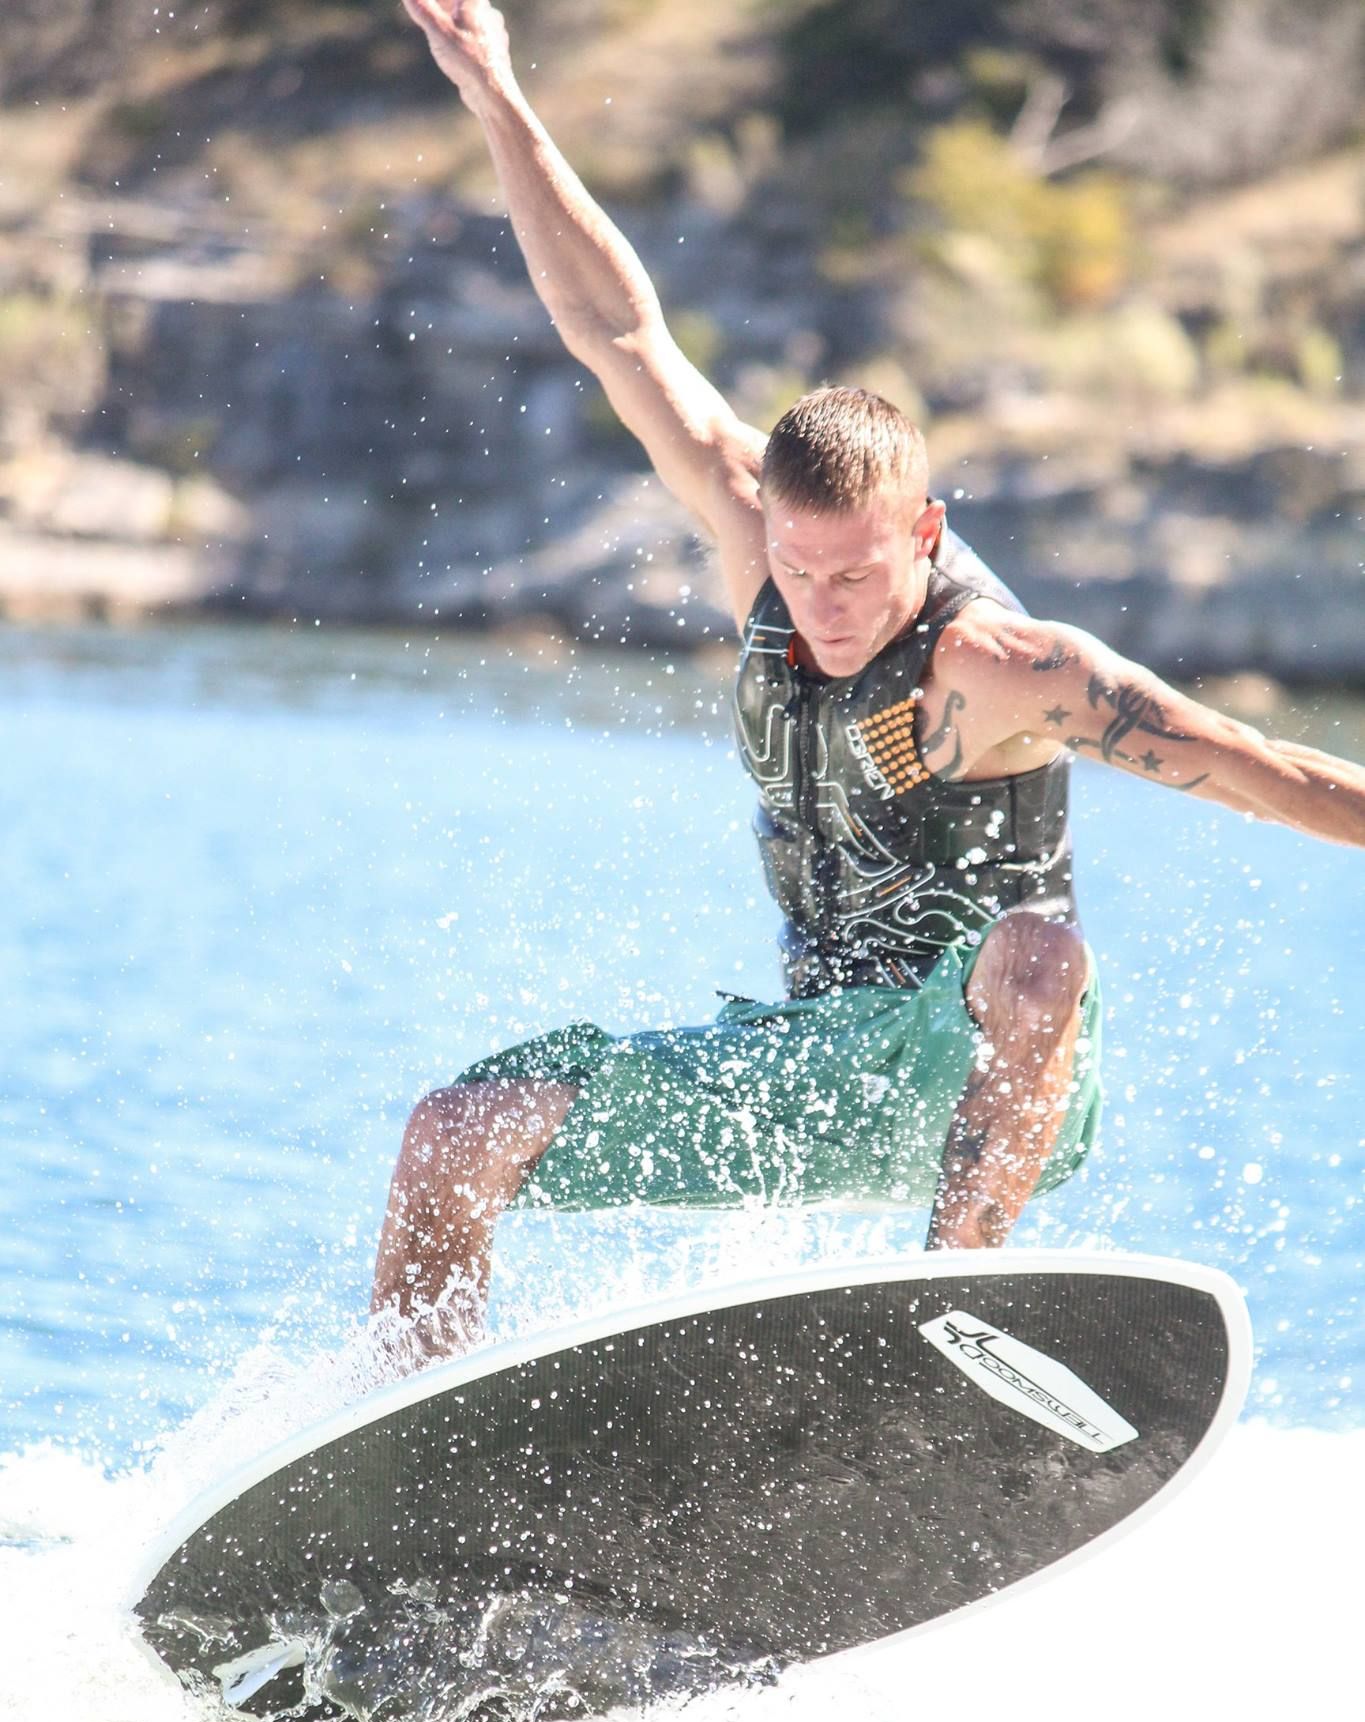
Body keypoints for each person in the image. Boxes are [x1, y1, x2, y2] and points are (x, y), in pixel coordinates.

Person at [372, 0, 1365, 1354]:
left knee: (1036, 950)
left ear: (925, 534)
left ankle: (942, 1310)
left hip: (989, 1076)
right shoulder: (758, 553)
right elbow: (614, 328)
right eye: (798, 569)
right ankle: (397, 1439)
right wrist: (493, 90)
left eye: (858, 577)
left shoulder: (1009, 671)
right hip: (811, 1067)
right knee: (453, 1133)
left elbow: (1278, 773)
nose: (823, 608)